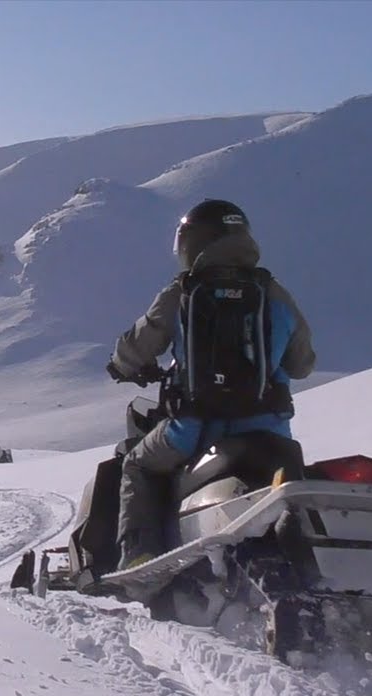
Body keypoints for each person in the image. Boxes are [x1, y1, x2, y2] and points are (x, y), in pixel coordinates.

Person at [106, 199, 315, 571]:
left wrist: (123, 364)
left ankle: (140, 555)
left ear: (194, 244)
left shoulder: (184, 291)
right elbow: (302, 364)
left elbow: (140, 344)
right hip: (269, 430)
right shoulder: (274, 292)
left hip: (193, 429)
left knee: (136, 466)